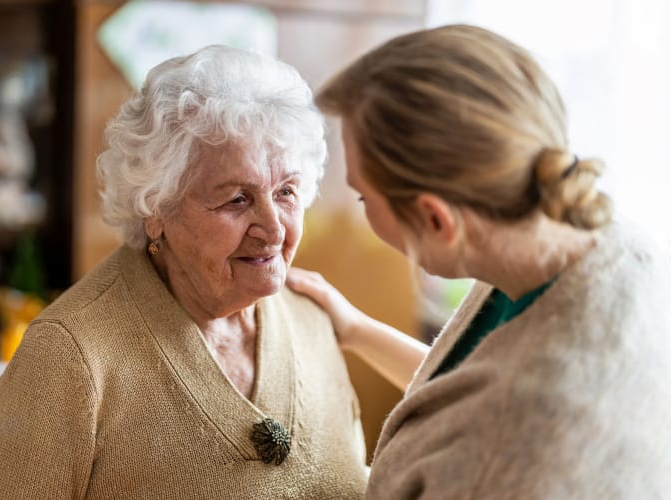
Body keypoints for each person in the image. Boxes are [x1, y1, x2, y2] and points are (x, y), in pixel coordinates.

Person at [287, 24, 671, 499]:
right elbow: (466, 392)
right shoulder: (594, 241)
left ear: (435, 219)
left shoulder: (520, 445)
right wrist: (356, 329)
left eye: (364, 198)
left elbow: (493, 418)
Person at [0, 45, 368, 499]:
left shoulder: (313, 322)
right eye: (237, 198)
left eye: (287, 192)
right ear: (156, 208)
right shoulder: (68, 358)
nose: (273, 228)